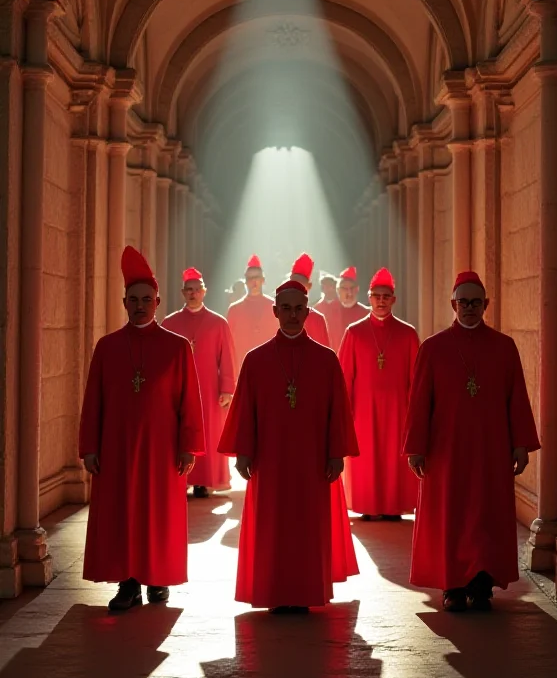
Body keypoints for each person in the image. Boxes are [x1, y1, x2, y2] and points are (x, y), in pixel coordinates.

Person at [218, 280, 360, 613]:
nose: (293, 315)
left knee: (308, 527)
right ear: (275, 312)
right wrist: (243, 452)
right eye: (287, 309)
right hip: (271, 460)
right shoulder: (257, 360)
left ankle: (305, 592)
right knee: (273, 526)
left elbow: (337, 410)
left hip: (312, 461)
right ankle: (274, 591)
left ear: (308, 312)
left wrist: (336, 453)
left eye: (299, 309)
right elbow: (245, 410)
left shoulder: (326, 360)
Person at [403, 271, 540, 612]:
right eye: (463, 302)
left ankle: (482, 586)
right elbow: (420, 401)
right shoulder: (433, 348)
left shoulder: (503, 347)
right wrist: (416, 448)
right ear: (453, 304)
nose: (469, 308)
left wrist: (520, 443)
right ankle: (452, 587)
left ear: (486, 305)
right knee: (451, 516)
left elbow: (516, 399)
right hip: (446, 451)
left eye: (475, 302)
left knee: (485, 516)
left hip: (491, 449)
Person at [79, 246, 205, 612]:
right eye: (133, 299)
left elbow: (189, 403)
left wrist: (188, 448)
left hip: (161, 449)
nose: (140, 305)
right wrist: (90, 446)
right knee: (123, 514)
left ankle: (159, 579)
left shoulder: (178, 347)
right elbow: (93, 402)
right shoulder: (107, 347)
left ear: (158, 302)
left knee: (158, 514)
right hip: (116, 447)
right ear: (124, 302)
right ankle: (127, 583)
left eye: (146, 299)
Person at [339, 268, 420, 520]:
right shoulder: (354, 332)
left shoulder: (407, 334)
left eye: (386, 296)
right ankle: (367, 506)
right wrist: (345, 412)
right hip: (363, 411)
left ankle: (393, 507)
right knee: (366, 459)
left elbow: (416, 380)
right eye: (377, 296)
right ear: (369, 297)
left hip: (398, 411)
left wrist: (414, 415)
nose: (381, 301)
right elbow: (344, 377)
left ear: (394, 299)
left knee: (393, 459)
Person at [162, 267, 236, 498]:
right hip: (179, 387)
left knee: (208, 432)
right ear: (183, 293)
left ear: (204, 292)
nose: (193, 294)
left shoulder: (218, 323)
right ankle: (182, 477)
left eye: (197, 290)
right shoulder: (170, 323)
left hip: (208, 387)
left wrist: (227, 389)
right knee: (179, 429)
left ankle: (203, 481)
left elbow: (227, 358)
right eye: (189, 290)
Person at [227, 254, 277, 367]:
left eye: (257, 277)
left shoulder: (275, 306)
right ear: (245, 281)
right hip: (243, 368)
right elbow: (228, 345)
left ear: (263, 280)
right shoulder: (234, 310)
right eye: (250, 278)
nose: (254, 281)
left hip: (270, 366)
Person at [289, 253, 331, 347]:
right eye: (294, 283)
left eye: (301, 284)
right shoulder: (278, 313)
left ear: (309, 286)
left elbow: (325, 356)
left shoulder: (317, 319)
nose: (296, 288)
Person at [335, 266, 370, 349]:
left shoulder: (367, 314)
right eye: (345, 289)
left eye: (352, 288)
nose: (349, 293)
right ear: (338, 290)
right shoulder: (328, 313)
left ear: (357, 289)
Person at [314, 272, 341, 350]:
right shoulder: (317, 308)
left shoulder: (343, 307)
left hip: (340, 347)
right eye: (326, 286)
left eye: (331, 286)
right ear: (322, 288)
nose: (329, 289)